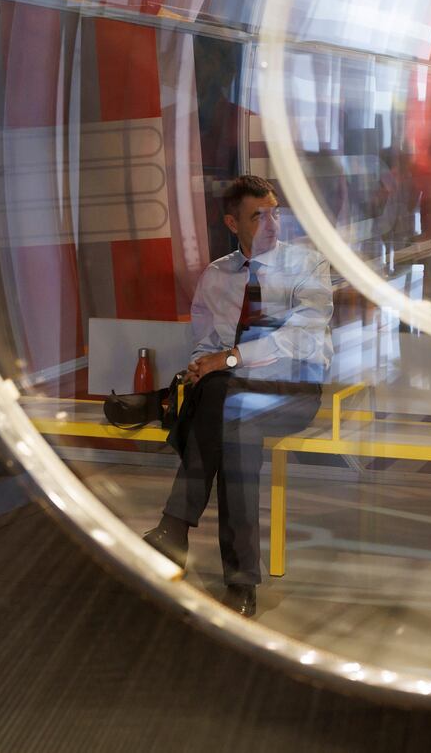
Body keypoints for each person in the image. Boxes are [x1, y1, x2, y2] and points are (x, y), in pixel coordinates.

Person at [142, 175, 333, 616]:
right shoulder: (217, 275)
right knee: (236, 433)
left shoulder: (307, 266)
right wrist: (201, 364)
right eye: (257, 216)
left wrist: (228, 359)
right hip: (235, 400)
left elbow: (300, 341)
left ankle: (175, 527)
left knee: (222, 396)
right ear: (233, 222)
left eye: (275, 212)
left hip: (292, 390)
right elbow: (207, 344)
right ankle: (241, 582)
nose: (271, 223)